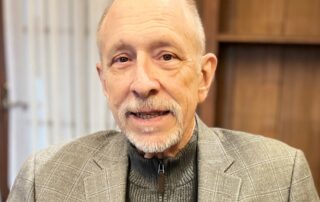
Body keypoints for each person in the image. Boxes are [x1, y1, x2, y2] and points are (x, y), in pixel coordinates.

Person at [8, 0, 319, 201]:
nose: (142, 84)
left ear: (203, 76)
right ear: (104, 81)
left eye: (167, 56)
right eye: (122, 59)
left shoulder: (282, 177)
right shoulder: (44, 180)